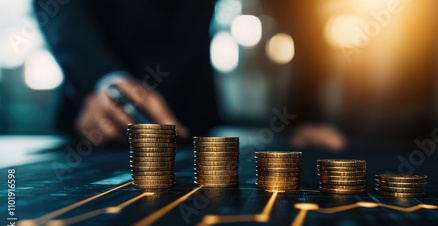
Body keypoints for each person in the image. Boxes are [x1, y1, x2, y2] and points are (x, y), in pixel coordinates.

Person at [35, 0, 346, 150]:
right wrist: (101, 78)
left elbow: (300, 14)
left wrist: (307, 113)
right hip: (92, 121)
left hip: (194, 122)